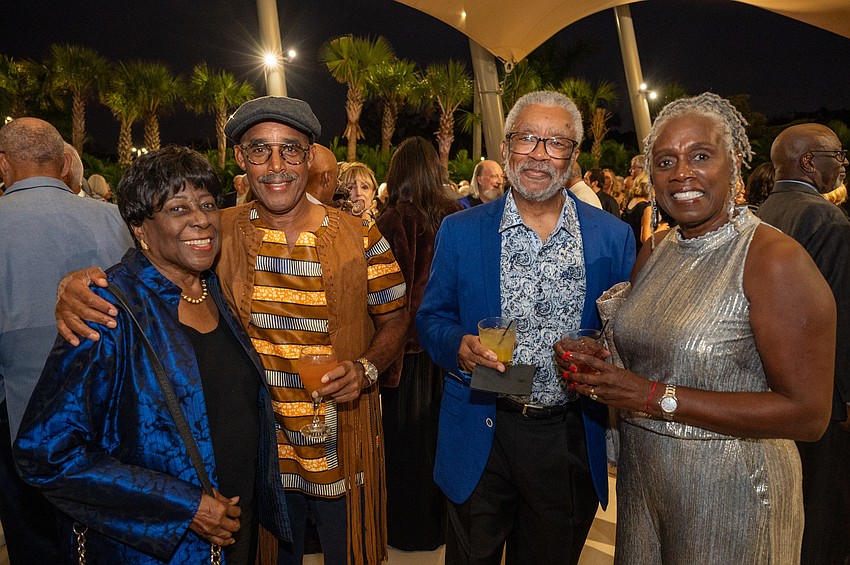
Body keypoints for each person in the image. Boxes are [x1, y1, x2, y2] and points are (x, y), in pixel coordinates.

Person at [55, 96, 408, 565]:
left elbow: (397, 315)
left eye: (291, 150)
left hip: (339, 439)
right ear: (241, 159)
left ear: (310, 156)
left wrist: (367, 368)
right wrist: (79, 283)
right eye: (260, 150)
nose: (276, 165)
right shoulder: (215, 230)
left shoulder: (361, 234)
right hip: (256, 454)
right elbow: (152, 264)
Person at [558, 93, 835, 564]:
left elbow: (808, 415)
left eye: (700, 156)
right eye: (665, 161)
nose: (681, 173)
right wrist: (602, 359)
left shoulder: (773, 260)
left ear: (736, 165)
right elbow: (656, 348)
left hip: (734, 491)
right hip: (644, 480)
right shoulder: (658, 248)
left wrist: (648, 396)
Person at [15, 146, 290, 564]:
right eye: (178, 208)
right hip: (159, 547)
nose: (201, 219)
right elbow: (44, 453)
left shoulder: (212, 287)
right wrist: (184, 507)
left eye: (207, 204)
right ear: (140, 228)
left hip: (235, 530)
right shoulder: (108, 311)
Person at [416, 91, 635, 565]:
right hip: (481, 428)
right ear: (505, 148)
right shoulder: (460, 230)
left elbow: (627, 336)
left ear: (573, 158)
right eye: (526, 139)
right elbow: (429, 320)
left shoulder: (613, 236)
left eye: (555, 143)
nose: (538, 154)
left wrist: (605, 352)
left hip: (566, 437)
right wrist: (459, 346)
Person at [0, 117, 133, 563]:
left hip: (22, 429)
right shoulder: (114, 219)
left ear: (3, 165)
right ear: (62, 164)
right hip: (112, 417)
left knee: (37, 544)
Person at [756, 122, 850, 565]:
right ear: (810, 162)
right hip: (817, 392)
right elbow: (836, 316)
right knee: (823, 511)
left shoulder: (755, 215)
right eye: (837, 156)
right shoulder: (827, 218)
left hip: (762, 384)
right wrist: (844, 399)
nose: (843, 164)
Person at [376, 136, 460, 551]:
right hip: (447, 350)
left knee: (403, 446)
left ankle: (404, 531)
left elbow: (390, 297)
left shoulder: (394, 220)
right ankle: (437, 529)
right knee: (439, 443)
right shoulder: (455, 215)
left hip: (404, 353)